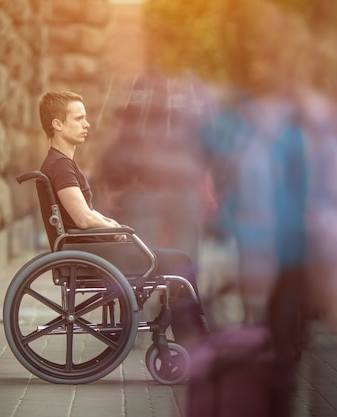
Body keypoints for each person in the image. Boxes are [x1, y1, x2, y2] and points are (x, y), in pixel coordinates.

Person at [37, 90, 209, 348]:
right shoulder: (60, 166)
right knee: (180, 261)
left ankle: (191, 340)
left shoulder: (60, 164)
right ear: (57, 124)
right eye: (79, 118)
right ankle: (195, 344)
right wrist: (115, 229)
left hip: (90, 248)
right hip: (91, 252)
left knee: (176, 260)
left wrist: (112, 225)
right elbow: (83, 218)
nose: (87, 124)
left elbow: (86, 214)